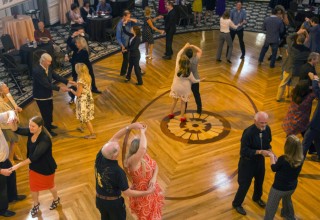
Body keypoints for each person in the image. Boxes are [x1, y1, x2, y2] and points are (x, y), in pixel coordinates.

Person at [95, 122, 155, 220]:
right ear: (114, 156)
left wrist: (130, 127)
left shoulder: (100, 156)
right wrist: (147, 193)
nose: (117, 142)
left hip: (99, 200)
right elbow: (127, 192)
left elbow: (115, 138)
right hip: (113, 204)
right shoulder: (118, 172)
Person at [10, 116, 59, 218]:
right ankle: (36, 205)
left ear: (40, 127)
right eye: (29, 125)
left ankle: (56, 199)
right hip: (34, 167)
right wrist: (13, 123)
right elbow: (17, 130)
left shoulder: (45, 139)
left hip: (46, 168)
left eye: (33, 126)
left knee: (50, 186)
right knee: (33, 187)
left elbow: (33, 157)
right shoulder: (31, 131)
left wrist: (16, 166)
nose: (30, 128)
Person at [232, 111, 272, 216]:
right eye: (261, 123)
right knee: (244, 185)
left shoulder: (267, 129)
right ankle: (237, 203)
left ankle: (257, 198)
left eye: (265, 123)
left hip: (259, 162)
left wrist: (270, 151)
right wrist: (259, 152)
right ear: (255, 121)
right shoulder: (248, 133)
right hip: (247, 163)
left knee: (259, 181)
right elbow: (244, 151)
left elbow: (268, 143)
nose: (264, 125)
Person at [124, 124, 164, 220]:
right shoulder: (132, 161)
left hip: (152, 190)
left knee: (154, 214)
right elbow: (142, 149)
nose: (145, 150)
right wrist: (142, 132)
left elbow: (156, 166)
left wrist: (154, 178)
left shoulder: (144, 156)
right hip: (143, 194)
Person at [33, 53, 74, 137]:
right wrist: (60, 88)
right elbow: (46, 84)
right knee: (45, 113)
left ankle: (49, 124)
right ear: (43, 61)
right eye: (49, 62)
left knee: (50, 109)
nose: (50, 63)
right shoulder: (37, 71)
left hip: (47, 94)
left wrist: (67, 81)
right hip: (41, 96)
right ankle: (47, 130)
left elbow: (56, 76)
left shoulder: (48, 67)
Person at [264, 135, 304, 220]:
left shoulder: (283, 159)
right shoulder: (300, 158)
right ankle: (289, 216)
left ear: (288, 147)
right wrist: (278, 160)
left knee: (271, 207)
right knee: (287, 199)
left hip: (279, 188)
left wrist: (271, 156)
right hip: (291, 187)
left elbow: (274, 168)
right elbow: (286, 167)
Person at [0, 110, 26, 218]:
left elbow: (9, 112)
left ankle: (12, 196)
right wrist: (1, 171)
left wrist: (11, 116)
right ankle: (2, 210)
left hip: (4, 159)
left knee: (11, 178)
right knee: (1, 189)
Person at [66, 31, 101, 104]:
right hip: (76, 68)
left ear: (81, 44)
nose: (75, 44)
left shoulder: (84, 52)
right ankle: (72, 97)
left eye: (77, 43)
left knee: (91, 77)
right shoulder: (77, 48)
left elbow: (77, 61)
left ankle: (93, 88)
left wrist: (69, 59)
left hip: (85, 67)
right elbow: (68, 42)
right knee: (75, 80)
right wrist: (72, 35)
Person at [168, 43, 201, 122]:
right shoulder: (189, 72)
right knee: (186, 101)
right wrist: (201, 80)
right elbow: (194, 80)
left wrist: (185, 47)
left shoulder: (177, 67)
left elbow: (178, 54)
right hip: (185, 88)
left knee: (174, 101)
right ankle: (183, 116)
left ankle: (170, 113)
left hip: (176, 87)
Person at [275, 33, 311, 101]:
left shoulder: (292, 48)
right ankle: (293, 99)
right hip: (298, 71)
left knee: (283, 83)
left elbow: (288, 37)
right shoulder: (307, 51)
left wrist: (298, 32)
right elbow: (306, 61)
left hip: (288, 68)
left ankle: (278, 98)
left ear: (297, 40)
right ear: (304, 41)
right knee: (294, 85)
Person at [70, 63, 96, 139]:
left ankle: (92, 134)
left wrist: (71, 90)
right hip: (88, 98)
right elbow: (83, 86)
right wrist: (75, 84)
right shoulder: (88, 76)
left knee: (86, 118)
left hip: (83, 101)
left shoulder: (80, 80)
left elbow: (78, 94)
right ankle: (82, 127)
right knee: (84, 115)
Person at [0, 82, 23, 164]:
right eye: (5, 88)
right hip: (6, 124)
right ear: (1, 91)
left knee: (14, 140)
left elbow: (14, 105)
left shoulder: (9, 95)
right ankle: (10, 159)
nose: (8, 88)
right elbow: (2, 114)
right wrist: (14, 111)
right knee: (14, 140)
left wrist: (17, 108)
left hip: (14, 120)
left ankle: (13, 154)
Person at [302, 72, 320, 162]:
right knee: (318, 140)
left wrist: (315, 80)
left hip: (316, 124)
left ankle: (297, 166)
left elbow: (317, 92)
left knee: (305, 142)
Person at [116, 10, 138, 76]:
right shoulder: (119, 25)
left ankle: (138, 70)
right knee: (126, 59)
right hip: (124, 44)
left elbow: (136, 22)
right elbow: (118, 37)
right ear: (124, 16)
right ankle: (123, 73)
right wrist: (122, 46)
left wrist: (130, 19)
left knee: (133, 57)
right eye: (128, 17)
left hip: (131, 42)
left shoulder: (129, 21)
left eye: (130, 16)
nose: (129, 18)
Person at [185, 44, 203, 114]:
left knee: (185, 96)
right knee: (197, 95)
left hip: (187, 81)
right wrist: (192, 46)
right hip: (195, 80)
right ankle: (199, 109)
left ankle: (184, 109)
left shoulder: (185, 62)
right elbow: (200, 51)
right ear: (192, 54)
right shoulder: (195, 60)